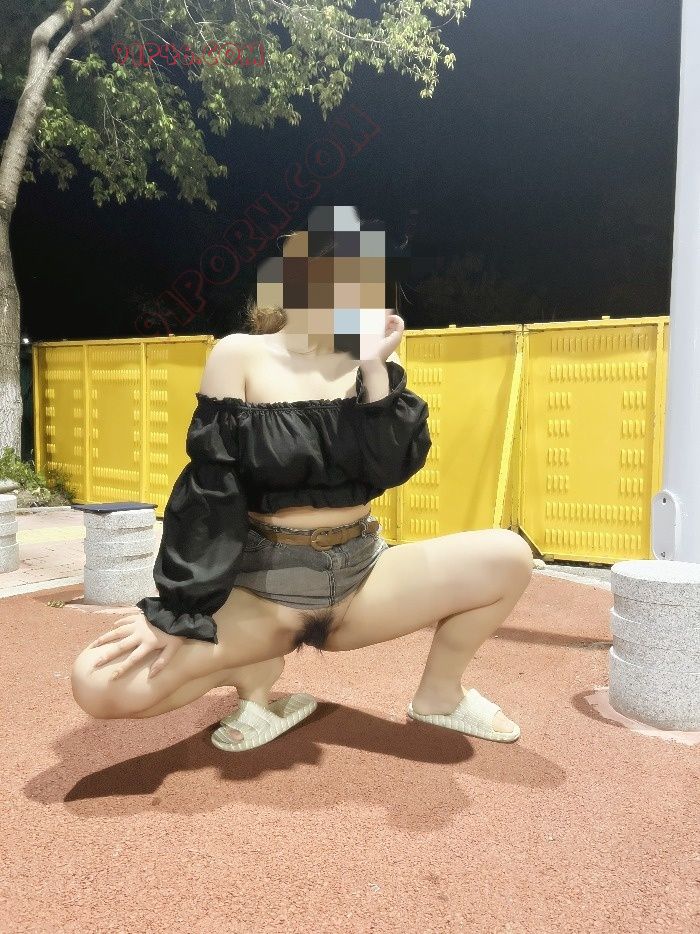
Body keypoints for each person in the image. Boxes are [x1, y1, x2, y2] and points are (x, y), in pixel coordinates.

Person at [71, 206, 533, 751]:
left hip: (364, 578)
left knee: (509, 557)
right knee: (97, 685)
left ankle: (440, 695)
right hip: (266, 592)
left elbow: (392, 467)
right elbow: (209, 491)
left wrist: (374, 368)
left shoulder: (367, 364)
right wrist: (177, 611)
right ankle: (254, 672)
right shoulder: (239, 354)